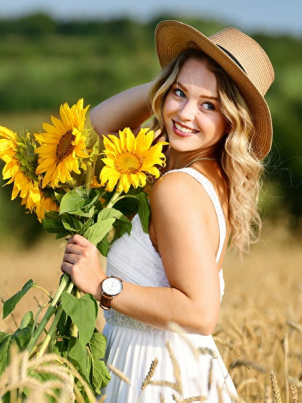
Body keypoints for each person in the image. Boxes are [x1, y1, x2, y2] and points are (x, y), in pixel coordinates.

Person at [60, 20, 274, 402]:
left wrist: (101, 285)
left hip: (155, 377)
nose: (185, 114)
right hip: (163, 369)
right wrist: (167, 87)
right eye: (180, 94)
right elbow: (93, 132)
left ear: (231, 120)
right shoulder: (206, 177)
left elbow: (201, 311)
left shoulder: (177, 188)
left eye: (209, 105)